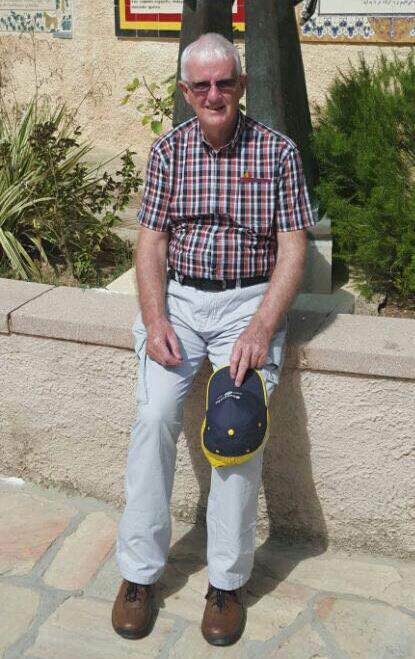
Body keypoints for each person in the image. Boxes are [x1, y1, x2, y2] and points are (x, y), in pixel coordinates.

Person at [112, 32, 315, 646]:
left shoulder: (277, 152)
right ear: (185, 91)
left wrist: (261, 326)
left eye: (224, 82)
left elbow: (293, 249)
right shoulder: (169, 151)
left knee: (236, 428)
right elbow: (151, 242)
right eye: (201, 85)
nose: (214, 94)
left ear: (241, 85)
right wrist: (155, 319)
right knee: (154, 417)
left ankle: (225, 583)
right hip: (179, 301)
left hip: (247, 304)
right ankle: (138, 574)